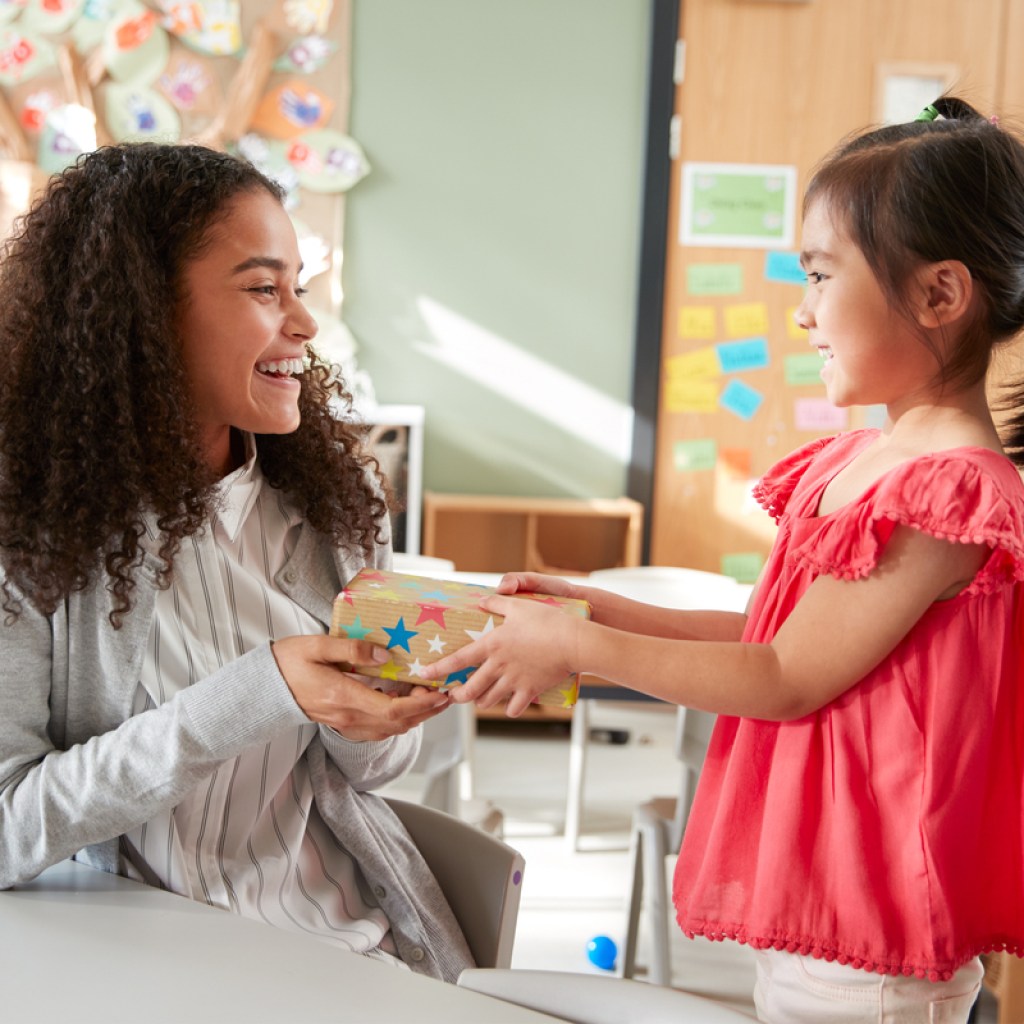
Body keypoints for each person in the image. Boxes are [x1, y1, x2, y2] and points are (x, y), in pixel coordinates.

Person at [424, 96, 1024, 1022]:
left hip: (880, 933)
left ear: (941, 295)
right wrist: (598, 611)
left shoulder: (948, 499)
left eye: (822, 277)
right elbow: (775, 632)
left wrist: (577, 650)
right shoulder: (867, 459)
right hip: (825, 906)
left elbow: (783, 676)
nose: (802, 313)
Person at [0, 142, 475, 983]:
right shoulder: (31, 532)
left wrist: (375, 713)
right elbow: (9, 828)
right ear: (142, 312)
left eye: (300, 285)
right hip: (126, 974)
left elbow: (377, 772)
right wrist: (260, 691)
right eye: (264, 288)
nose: (303, 322)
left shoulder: (338, 501)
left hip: (343, 955)